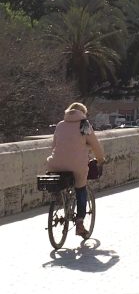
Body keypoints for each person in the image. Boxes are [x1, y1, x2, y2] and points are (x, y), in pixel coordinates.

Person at [46, 102, 105, 238]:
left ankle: (58, 195)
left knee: (60, 178)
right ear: (82, 113)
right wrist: (100, 160)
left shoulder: (61, 125)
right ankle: (79, 223)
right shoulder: (83, 124)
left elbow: (54, 145)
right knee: (81, 188)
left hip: (56, 164)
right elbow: (95, 145)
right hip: (76, 165)